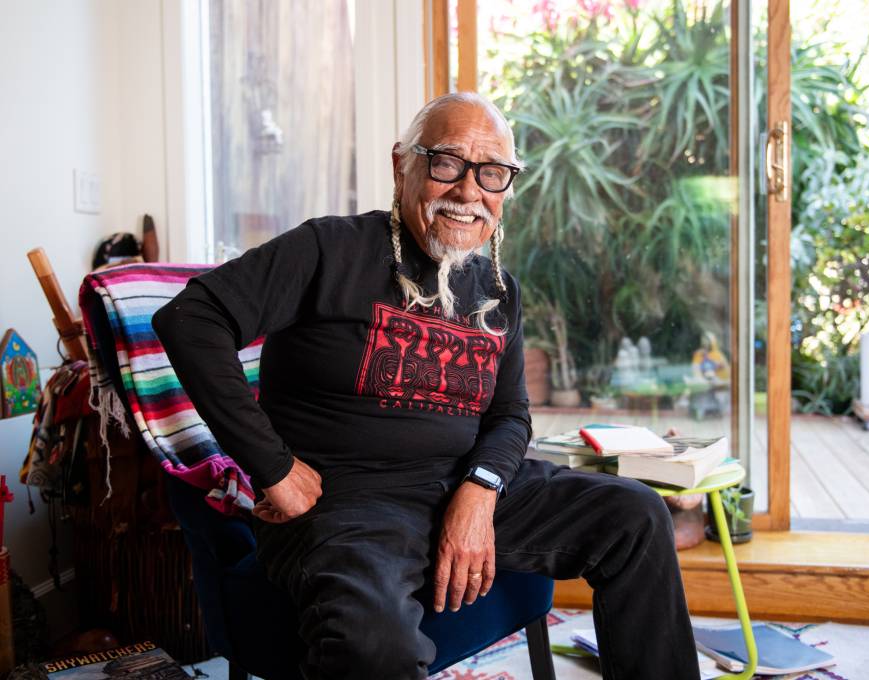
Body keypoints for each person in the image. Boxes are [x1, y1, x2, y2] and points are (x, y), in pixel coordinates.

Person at [153, 92, 700, 680]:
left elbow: (510, 414)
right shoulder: (327, 249)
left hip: (466, 483)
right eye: (446, 163)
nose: (469, 192)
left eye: (491, 173)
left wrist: (481, 489)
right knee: (371, 638)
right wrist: (274, 466)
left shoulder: (498, 287)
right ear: (401, 166)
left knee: (637, 516)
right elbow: (192, 318)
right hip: (349, 505)